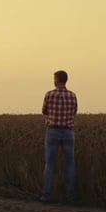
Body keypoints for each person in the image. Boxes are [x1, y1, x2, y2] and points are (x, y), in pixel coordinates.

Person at [40, 70, 78, 203]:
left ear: (58, 80)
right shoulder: (73, 96)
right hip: (68, 132)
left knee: (49, 164)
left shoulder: (49, 95)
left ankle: (46, 195)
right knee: (70, 165)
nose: (53, 80)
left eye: (54, 78)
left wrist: (49, 119)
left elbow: (44, 111)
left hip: (53, 131)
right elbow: (74, 112)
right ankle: (70, 196)